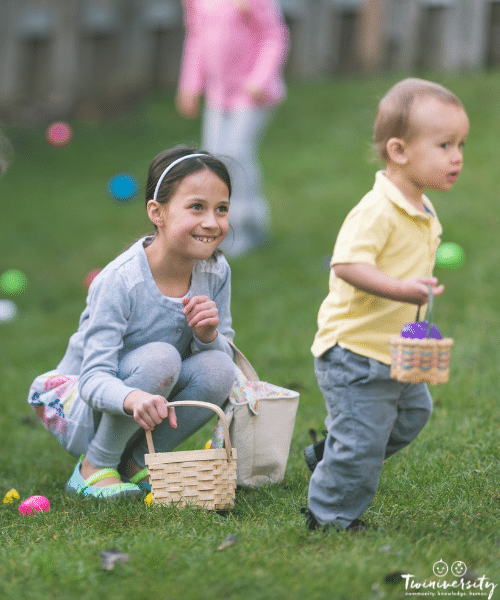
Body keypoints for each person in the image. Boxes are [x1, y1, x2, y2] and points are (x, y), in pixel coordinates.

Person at [302, 78, 469, 531]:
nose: (457, 156)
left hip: (394, 349)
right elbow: (348, 265)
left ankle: (330, 454)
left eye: (460, 144)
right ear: (398, 151)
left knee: (414, 415)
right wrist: (401, 289)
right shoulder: (378, 209)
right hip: (355, 351)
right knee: (362, 442)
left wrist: (415, 288)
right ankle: (330, 516)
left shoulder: (421, 205)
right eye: (444, 144)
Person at [28, 146, 237, 499]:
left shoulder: (215, 270)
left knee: (219, 367)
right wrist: (132, 397)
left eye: (222, 209)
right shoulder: (120, 281)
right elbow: (93, 379)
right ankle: (94, 466)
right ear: (157, 212)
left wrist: (208, 336)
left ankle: (137, 463)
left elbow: (225, 357)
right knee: (162, 357)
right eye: (196, 207)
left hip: (150, 397)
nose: (212, 222)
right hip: (81, 405)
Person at [176, 0, 289, 257]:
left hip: (252, 94)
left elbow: (274, 35)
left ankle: (248, 225)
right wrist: (191, 83)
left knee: (237, 155)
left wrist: (260, 79)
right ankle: (219, 225)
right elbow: (196, 38)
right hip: (219, 94)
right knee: (214, 161)